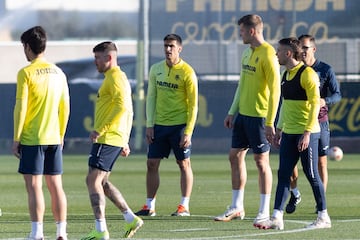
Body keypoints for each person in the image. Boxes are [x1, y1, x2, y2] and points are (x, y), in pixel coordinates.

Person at [214, 14, 281, 227]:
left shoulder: (269, 54)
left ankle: (263, 211)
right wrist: (232, 111)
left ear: (252, 31)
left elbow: (275, 91)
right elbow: (242, 85)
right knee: (234, 156)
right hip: (243, 116)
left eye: (242, 30)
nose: (240, 34)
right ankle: (237, 206)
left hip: (260, 118)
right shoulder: (247, 53)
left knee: (261, 162)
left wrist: (270, 121)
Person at [257, 37, 331, 230]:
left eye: (279, 51)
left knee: (311, 173)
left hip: (307, 134)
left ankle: (323, 216)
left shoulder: (308, 74)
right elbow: (286, 106)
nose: (276, 54)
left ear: (288, 53)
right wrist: (279, 128)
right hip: (289, 133)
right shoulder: (285, 74)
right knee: (283, 174)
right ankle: (276, 217)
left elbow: (316, 104)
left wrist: (307, 133)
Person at [12, 26, 70, 240]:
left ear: (28, 47)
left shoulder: (25, 73)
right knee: (56, 186)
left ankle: (37, 233)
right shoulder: (59, 72)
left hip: (32, 138)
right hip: (54, 137)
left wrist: (16, 138)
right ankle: (61, 232)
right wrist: (61, 134)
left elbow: (21, 108)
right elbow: (66, 106)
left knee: (34, 185)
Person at [81, 41, 143, 239]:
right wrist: (124, 139)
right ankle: (130, 218)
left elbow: (122, 107)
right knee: (102, 182)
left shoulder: (115, 77)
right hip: (114, 137)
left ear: (109, 58)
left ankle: (101, 230)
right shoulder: (116, 77)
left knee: (93, 180)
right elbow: (128, 109)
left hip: (107, 137)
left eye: (98, 58)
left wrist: (101, 129)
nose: (95, 62)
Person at [135, 34, 198, 217]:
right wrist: (149, 124)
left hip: (179, 126)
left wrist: (188, 131)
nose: (168, 49)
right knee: (151, 163)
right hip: (159, 126)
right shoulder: (156, 69)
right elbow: (151, 97)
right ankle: (149, 206)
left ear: (180, 48)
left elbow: (194, 105)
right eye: (165, 46)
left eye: (171, 46)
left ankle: (184, 205)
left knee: (183, 163)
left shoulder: (187, 72)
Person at [285, 34, 342, 214]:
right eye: (299, 47)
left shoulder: (325, 69)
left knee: (320, 164)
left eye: (306, 48)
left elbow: (337, 94)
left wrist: (325, 101)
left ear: (313, 49)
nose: (302, 51)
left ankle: (320, 204)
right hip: (296, 123)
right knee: (291, 168)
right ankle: (295, 193)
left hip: (319, 123)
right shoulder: (293, 70)